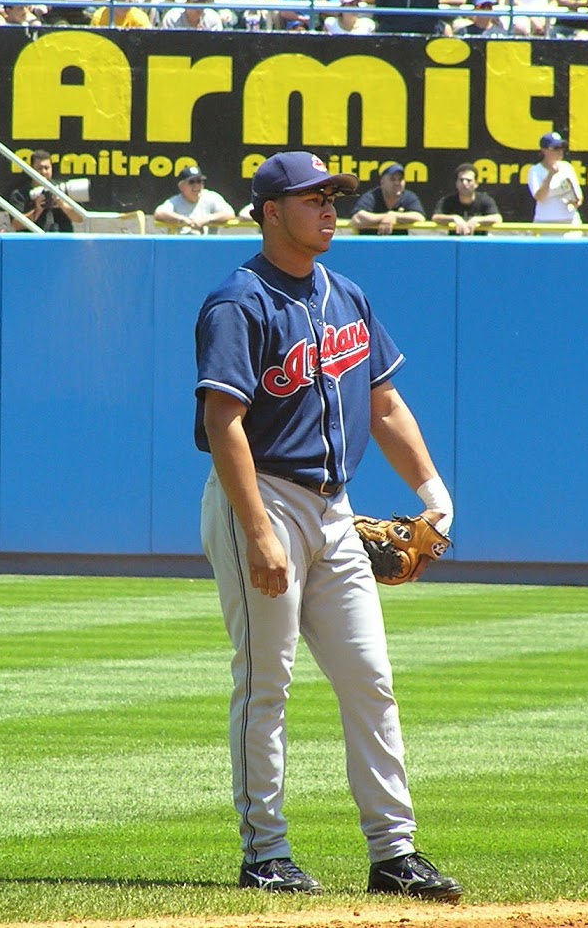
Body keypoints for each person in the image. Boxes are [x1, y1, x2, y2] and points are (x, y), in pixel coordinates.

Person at [193, 149, 463, 903]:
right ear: (271, 211)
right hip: (264, 497)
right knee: (266, 680)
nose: (331, 206)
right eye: (314, 197)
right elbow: (224, 421)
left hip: (335, 506)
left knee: (370, 678)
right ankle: (265, 852)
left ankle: (394, 853)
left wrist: (432, 487)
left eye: (335, 195)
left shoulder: (347, 294)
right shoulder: (238, 301)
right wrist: (259, 530)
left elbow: (382, 403)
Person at [9, 149, 84, 232]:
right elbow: (16, 225)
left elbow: (80, 218)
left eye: (46, 168)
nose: (43, 172)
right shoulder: (20, 194)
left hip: (61, 240)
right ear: (31, 169)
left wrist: (61, 203)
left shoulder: (63, 189)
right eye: (39, 168)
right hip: (34, 241)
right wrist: (37, 210)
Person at [154, 165, 235, 234]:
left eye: (199, 181)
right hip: (183, 246)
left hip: (209, 246)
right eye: (191, 182)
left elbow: (230, 213)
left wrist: (207, 219)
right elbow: (159, 213)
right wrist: (184, 220)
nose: (196, 185)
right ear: (181, 186)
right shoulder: (176, 201)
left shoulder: (211, 197)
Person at [527, 131, 583, 229]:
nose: (560, 151)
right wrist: (550, 175)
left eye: (561, 147)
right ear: (544, 150)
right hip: (545, 222)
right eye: (555, 148)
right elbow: (540, 197)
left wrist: (576, 201)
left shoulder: (567, 167)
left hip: (569, 221)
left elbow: (579, 196)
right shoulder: (535, 170)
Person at [350, 164, 427, 235]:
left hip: (398, 246)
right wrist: (385, 217)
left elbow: (419, 216)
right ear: (382, 182)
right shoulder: (372, 196)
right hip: (370, 244)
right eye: (392, 179)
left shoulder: (408, 196)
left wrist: (394, 216)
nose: (397, 183)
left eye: (400, 179)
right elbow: (357, 218)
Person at [431, 163, 502, 236]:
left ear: (476, 184)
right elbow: (435, 217)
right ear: (456, 183)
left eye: (468, 180)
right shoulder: (447, 200)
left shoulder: (485, 200)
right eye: (461, 180)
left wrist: (477, 219)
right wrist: (454, 218)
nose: (464, 183)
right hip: (456, 244)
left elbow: (497, 218)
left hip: (479, 244)